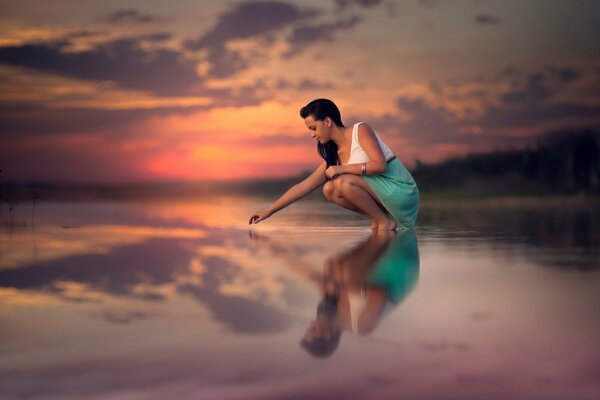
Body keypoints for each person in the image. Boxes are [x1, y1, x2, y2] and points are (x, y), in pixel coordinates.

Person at [248, 98, 419, 231]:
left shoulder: (360, 130)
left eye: (313, 128)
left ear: (328, 122)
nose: (312, 135)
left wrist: (342, 169)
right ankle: (380, 220)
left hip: (402, 191)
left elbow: (380, 166)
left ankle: (383, 223)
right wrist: (268, 211)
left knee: (341, 181)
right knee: (329, 190)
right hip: (385, 196)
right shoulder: (334, 156)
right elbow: (302, 187)